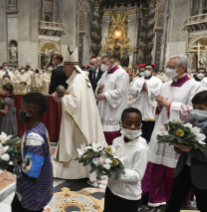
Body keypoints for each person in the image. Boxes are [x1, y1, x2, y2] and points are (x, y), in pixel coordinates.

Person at [142, 55, 202, 207]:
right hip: (161, 128)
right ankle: (153, 195)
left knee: (174, 168)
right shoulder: (165, 85)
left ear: (183, 68)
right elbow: (160, 108)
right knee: (155, 162)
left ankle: (173, 199)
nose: (168, 70)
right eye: (167, 66)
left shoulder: (195, 86)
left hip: (179, 134)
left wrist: (169, 104)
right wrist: (160, 106)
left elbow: (194, 111)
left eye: (171, 67)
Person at [52, 47, 107, 182]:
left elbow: (75, 102)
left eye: (65, 67)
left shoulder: (78, 79)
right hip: (81, 118)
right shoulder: (81, 77)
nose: (64, 70)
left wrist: (60, 99)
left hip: (77, 120)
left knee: (76, 145)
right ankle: (84, 172)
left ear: (71, 66)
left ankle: (75, 173)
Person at [164, 91, 207, 212]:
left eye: (201, 108)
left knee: (203, 205)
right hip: (184, 169)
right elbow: (177, 148)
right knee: (174, 202)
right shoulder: (188, 124)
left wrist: (191, 150)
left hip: (203, 174)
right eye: (194, 108)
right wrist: (178, 144)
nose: (196, 111)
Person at [10, 93, 53, 212]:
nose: (19, 111)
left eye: (21, 108)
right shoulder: (39, 126)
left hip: (32, 193)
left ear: (30, 112)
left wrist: (7, 166)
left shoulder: (34, 138)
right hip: (31, 190)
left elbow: (30, 172)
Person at [105, 108, 149, 212]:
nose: (133, 127)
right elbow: (110, 158)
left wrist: (115, 172)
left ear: (141, 125)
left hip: (128, 196)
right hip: (111, 190)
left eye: (137, 124)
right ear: (121, 123)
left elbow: (137, 175)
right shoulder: (116, 142)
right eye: (129, 123)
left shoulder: (141, 148)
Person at [95, 55, 130, 145]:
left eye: (104, 63)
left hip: (114, 107)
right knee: (101, 130)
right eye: (101, 63)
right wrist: (99, 89)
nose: (102, 65)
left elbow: (120, 91)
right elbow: (98, 86)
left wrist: (105, 95)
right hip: (103, 107)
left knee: (112, 130)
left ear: (111, 62)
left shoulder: (122, 73)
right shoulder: (105, 74)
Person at [130, 64, 163, 143]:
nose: (147, 71)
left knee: (149, 127)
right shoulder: (137, 80)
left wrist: (149, 90)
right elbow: (132, 90)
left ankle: (148, 141)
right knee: (138, 124)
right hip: (139, 106)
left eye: (149, 69)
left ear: (152, 70)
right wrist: (140, 89)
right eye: (145, 69)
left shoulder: (157, 81)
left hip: (150, 107)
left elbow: (160, 91)